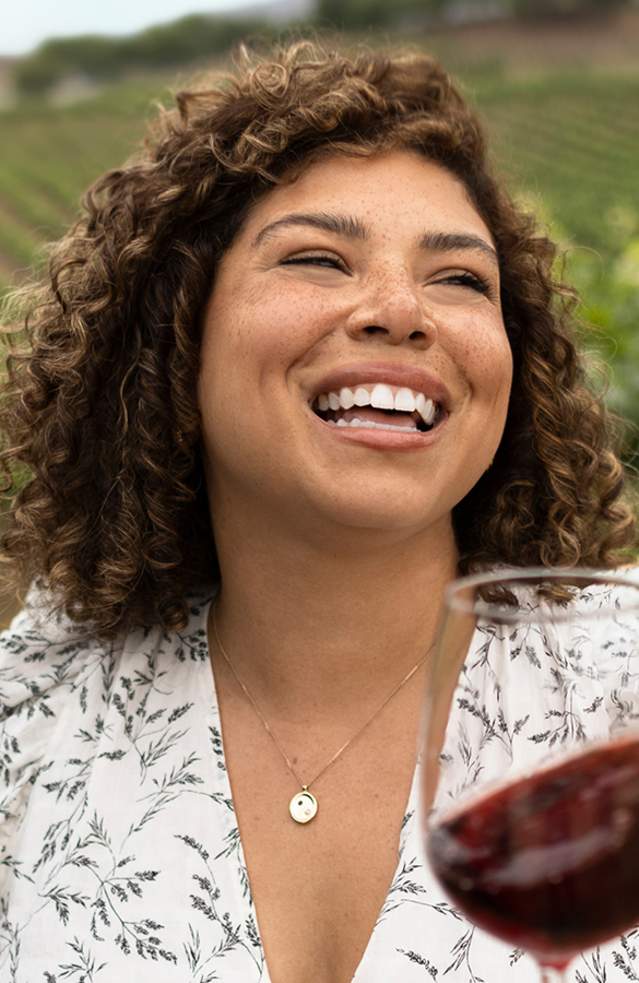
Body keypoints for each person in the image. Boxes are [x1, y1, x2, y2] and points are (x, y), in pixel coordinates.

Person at [0, 36, 636, 983]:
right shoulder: (34, 710)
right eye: (317, 260)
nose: (399, 309)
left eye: (460, 278)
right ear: (175, 334)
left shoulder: (620, 694)